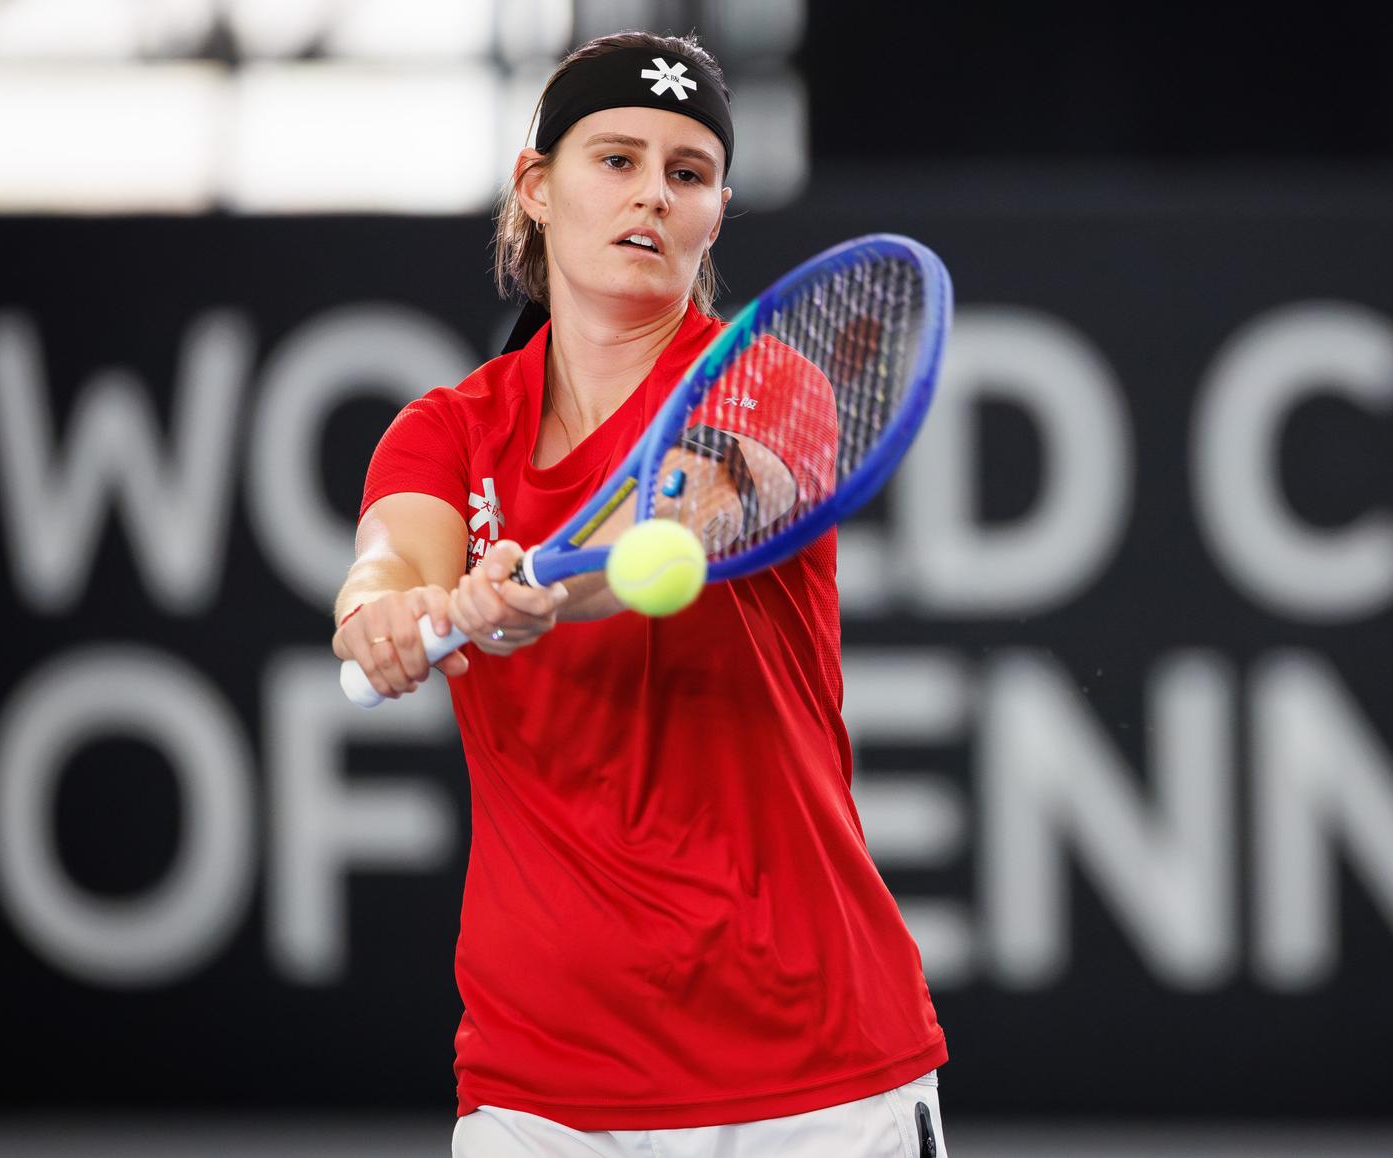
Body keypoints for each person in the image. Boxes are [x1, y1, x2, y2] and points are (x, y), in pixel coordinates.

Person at [330, 31, 948, 1158]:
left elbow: (686, 514)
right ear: (537, 185)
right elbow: (388, 563)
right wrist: (383, 614)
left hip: (811, 1077)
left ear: (714, 211)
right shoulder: (448, 428)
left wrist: (544, 590)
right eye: (616, 160)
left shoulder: (768, 379)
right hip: (540, 1091)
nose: (651, 196)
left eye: (688, 172)